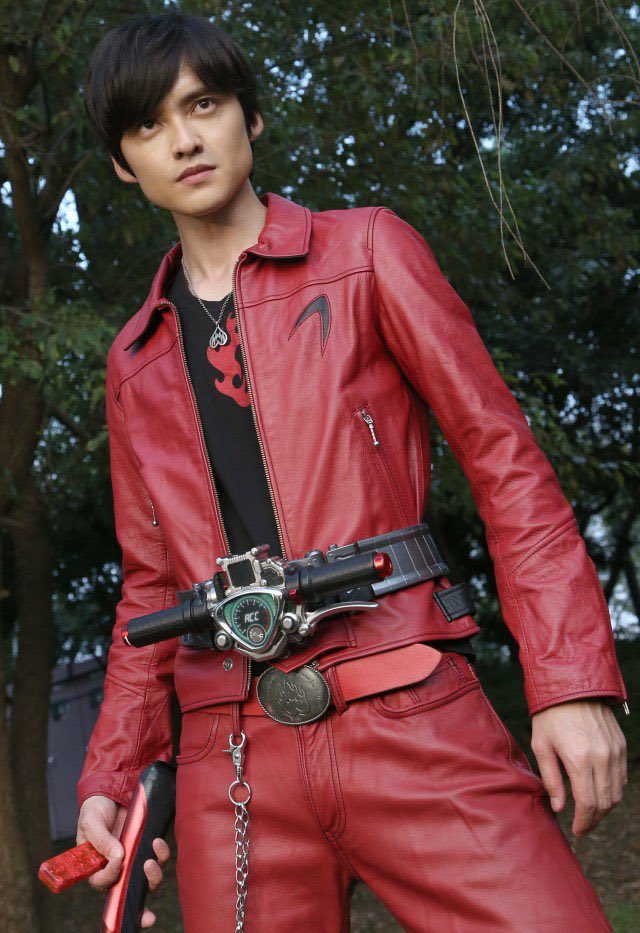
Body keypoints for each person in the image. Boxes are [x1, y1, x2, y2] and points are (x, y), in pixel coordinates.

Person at [76, 11, 629, 932]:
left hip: (408, 703)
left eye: (203, 104)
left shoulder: (368, 252)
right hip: (232, 761)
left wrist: (570, 681)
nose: (183, 139)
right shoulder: (134, 360)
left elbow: (505, 463)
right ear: (124, 164)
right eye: (148, 124)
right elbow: (151, 589)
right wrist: (110, 777)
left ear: (250, 116)